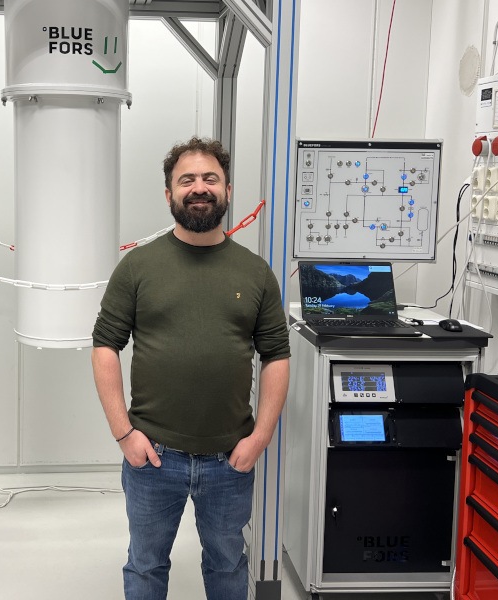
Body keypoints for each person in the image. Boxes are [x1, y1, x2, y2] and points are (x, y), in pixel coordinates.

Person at [91, 136, 291, 600]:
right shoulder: (138, 267)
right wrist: (125, 433)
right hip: (152, 457)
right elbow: (105, 346)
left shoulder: (255, 272)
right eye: (187, 180)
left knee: (227, 565)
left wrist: (259, 437)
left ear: (226, 190)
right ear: (169, 194)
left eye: (210, 179)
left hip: (230, 459)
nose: (199, 188)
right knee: (145, 566)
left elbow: (276, 355)